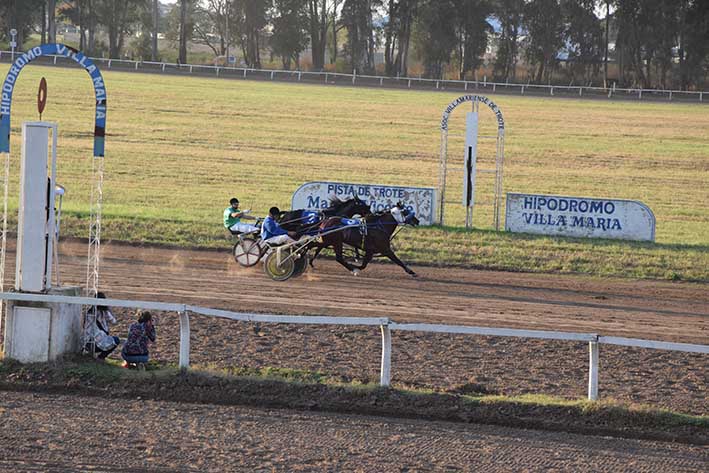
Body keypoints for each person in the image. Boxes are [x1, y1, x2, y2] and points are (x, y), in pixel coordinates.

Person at [83, 292, 120, 362]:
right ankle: (101, 358)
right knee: (116, 340)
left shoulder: (89, 313)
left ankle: (93, 356)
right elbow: (114, 321)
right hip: (96, 344)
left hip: (87, 343)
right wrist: (108, 309)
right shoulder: (103, 312)